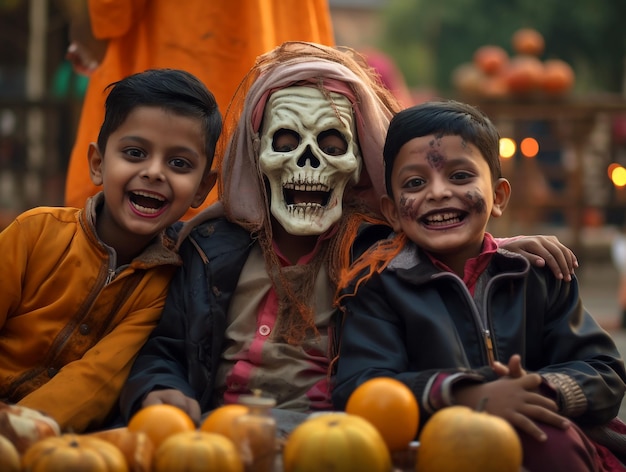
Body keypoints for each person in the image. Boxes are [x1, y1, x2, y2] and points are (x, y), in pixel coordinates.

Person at [119, 43, 578, 431]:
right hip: (218, 435)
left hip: (341, 440)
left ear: (359, 163)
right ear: (256, 155)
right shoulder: (208, 248)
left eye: (332, 147)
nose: (308, 163)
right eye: (285, 143)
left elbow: (450, 245)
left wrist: (497, 249)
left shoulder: (383, 255)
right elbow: (167, 349)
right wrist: (162, 387)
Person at [331, 100, 626, 471]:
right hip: (436, 451)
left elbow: (605, 372)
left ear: (499, 197)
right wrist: (468, 394)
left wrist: (535, 393)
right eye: (416, 182)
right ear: (392, 212)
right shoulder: (378, 288)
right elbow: (359, 388)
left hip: (544, 443)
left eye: (460, 176)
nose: (438, 192)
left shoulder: (538, 275)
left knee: (551, 440)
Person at [0, 68, 221, 433]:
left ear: (202, 188)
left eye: (179, 163)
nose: (154, 172)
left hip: (52, 437)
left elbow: (98, 379)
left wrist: (23, 430)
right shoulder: (35, 233)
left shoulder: (165, 281)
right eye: (135, 153)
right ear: (98, 163)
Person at [56, 0, 334, 220]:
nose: (153, 172)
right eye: (136, 154)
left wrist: (88, 22)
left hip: (174, 45)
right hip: (285, 65)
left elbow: (110, 13)